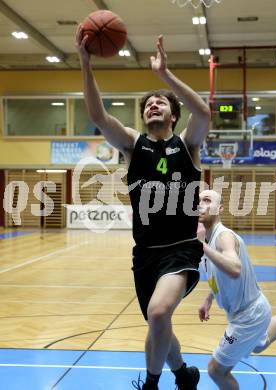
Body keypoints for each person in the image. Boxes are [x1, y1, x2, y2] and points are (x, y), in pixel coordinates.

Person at [76, 30, 210, 390]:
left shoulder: (188, 144)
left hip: (181, 249)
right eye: (149, 102)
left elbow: (203, 111)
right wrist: (85, 62)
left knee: (158, 312)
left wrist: (164, 75)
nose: (153, 104)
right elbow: (99, 116)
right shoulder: (133, 147)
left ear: (172, 114)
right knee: (159, 324)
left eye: (161, 102)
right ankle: (183, 374)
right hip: (145, 255)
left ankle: (150, 385)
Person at [197, 190, 276, 390]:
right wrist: (209, 299)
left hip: (248, 316)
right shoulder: (209, 239)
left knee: (216, 370)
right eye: (198, 201)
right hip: (255, 309)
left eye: (207, 200)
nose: (201, 205)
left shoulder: (223, 237)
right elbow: (219, 275)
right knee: (258, 343)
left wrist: (200, 247)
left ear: (220, 208)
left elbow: (234, 268)